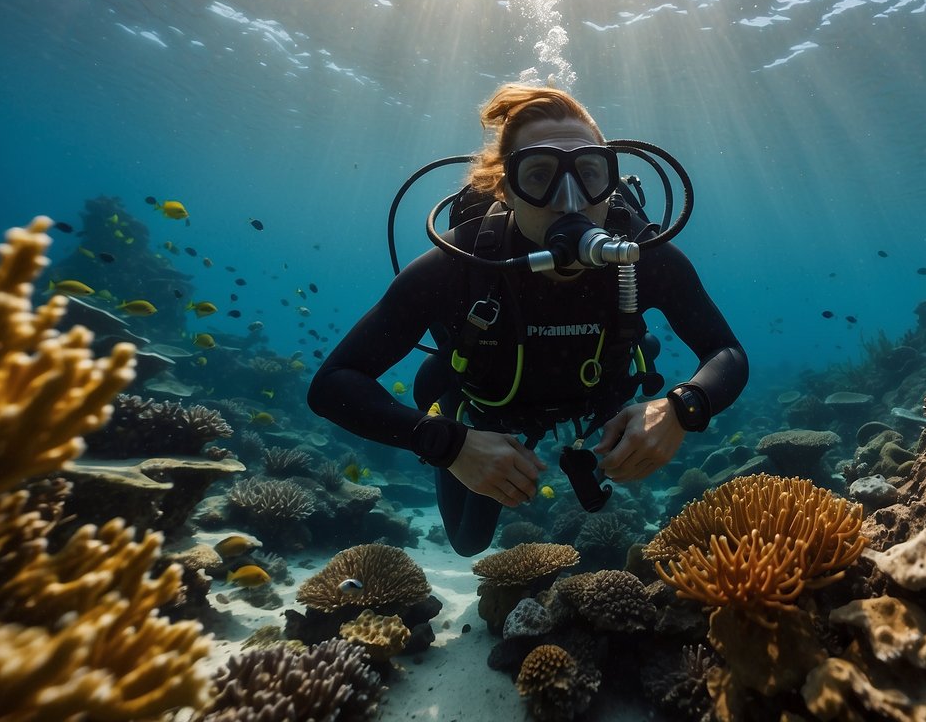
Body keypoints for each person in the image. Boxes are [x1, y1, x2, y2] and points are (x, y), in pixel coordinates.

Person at [308, 84, 747, 555]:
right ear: (505, 188)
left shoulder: (646, 257)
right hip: (490, 409)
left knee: (642, 355)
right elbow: (333, 383)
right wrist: (446, 442)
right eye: (539, 176)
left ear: (612, 182)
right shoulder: (458, 264)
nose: (570, 201)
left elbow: (727, 353)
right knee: (468, 542)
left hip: (598, 398)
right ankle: (450, 397)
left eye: (589, 173)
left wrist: (681, 409)